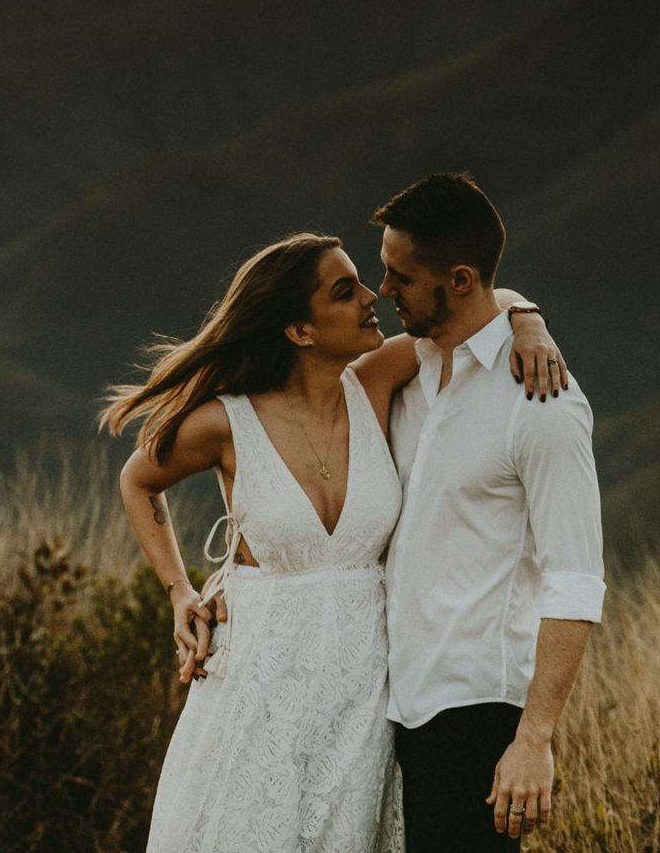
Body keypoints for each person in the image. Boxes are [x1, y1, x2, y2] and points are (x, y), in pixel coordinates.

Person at [101, 230, 564, 853]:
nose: (373, 296)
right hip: (257, 690)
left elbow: (480, 300)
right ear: (300, 331)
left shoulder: (376, 382)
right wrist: (180, 591)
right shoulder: (226, 422)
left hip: (363, 696)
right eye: (346, 292)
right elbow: (138, 480)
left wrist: (529, 322)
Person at [375, 173, 605, 850]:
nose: (383, 289)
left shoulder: (543, 403)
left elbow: (575, 578)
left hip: (476, 709)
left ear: (461, 279)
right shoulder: (408, 367)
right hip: (395, 704)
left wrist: (532, 740)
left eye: (400, 276)